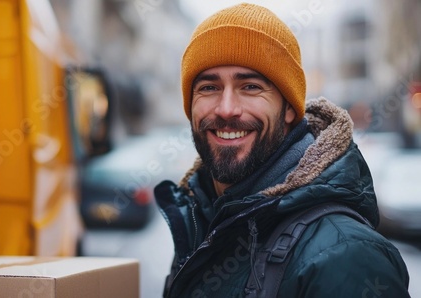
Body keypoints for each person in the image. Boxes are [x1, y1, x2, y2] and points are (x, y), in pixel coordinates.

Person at [154, 3, 411, 297]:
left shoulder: (347, 255)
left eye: (250, 87)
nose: (226, 109)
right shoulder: (203, 222)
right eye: (209, 88)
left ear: (289, 109)